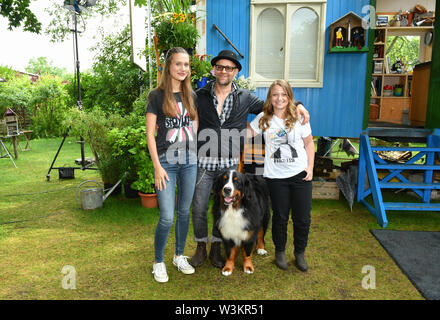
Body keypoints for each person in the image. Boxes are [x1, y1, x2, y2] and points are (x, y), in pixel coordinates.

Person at [189, 50, 310, 269]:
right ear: (214, 69)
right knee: (198, 206)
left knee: (223, 206)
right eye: (220, 67)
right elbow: (183, 111)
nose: (224, 71)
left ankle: (217, 247)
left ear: (235, 72)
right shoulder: (201, 95)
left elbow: (275, 104)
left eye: (229, 68)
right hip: (204, 160)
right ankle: (200, 246)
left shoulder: (245, 97)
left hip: (229, 162)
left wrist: (298, 103)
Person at [249, 79, 314, 272]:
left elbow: (309, 143)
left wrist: (310, 167)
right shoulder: (264, 118)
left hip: (300, 175)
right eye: (275, 94)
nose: (279, 98)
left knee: (303, 218)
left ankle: (300, 253)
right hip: (275, 177)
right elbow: (246, 133)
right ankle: (280, 252)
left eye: (284, 94)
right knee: (280, 216)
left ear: (289, 97)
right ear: (270, 97)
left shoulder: (299, 116)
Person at [146, 47, 198, 283]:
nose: (183, 69)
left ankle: (178, 255)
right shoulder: (156, 96)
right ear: (169, 66)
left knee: (184, 212)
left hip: (189, 162)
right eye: (178, 64)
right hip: (166, 162)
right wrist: (157, 166)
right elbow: (149, 135)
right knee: (167, 216)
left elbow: (194, 122)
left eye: (186, 65)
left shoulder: (191, 95)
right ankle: (158, 261)